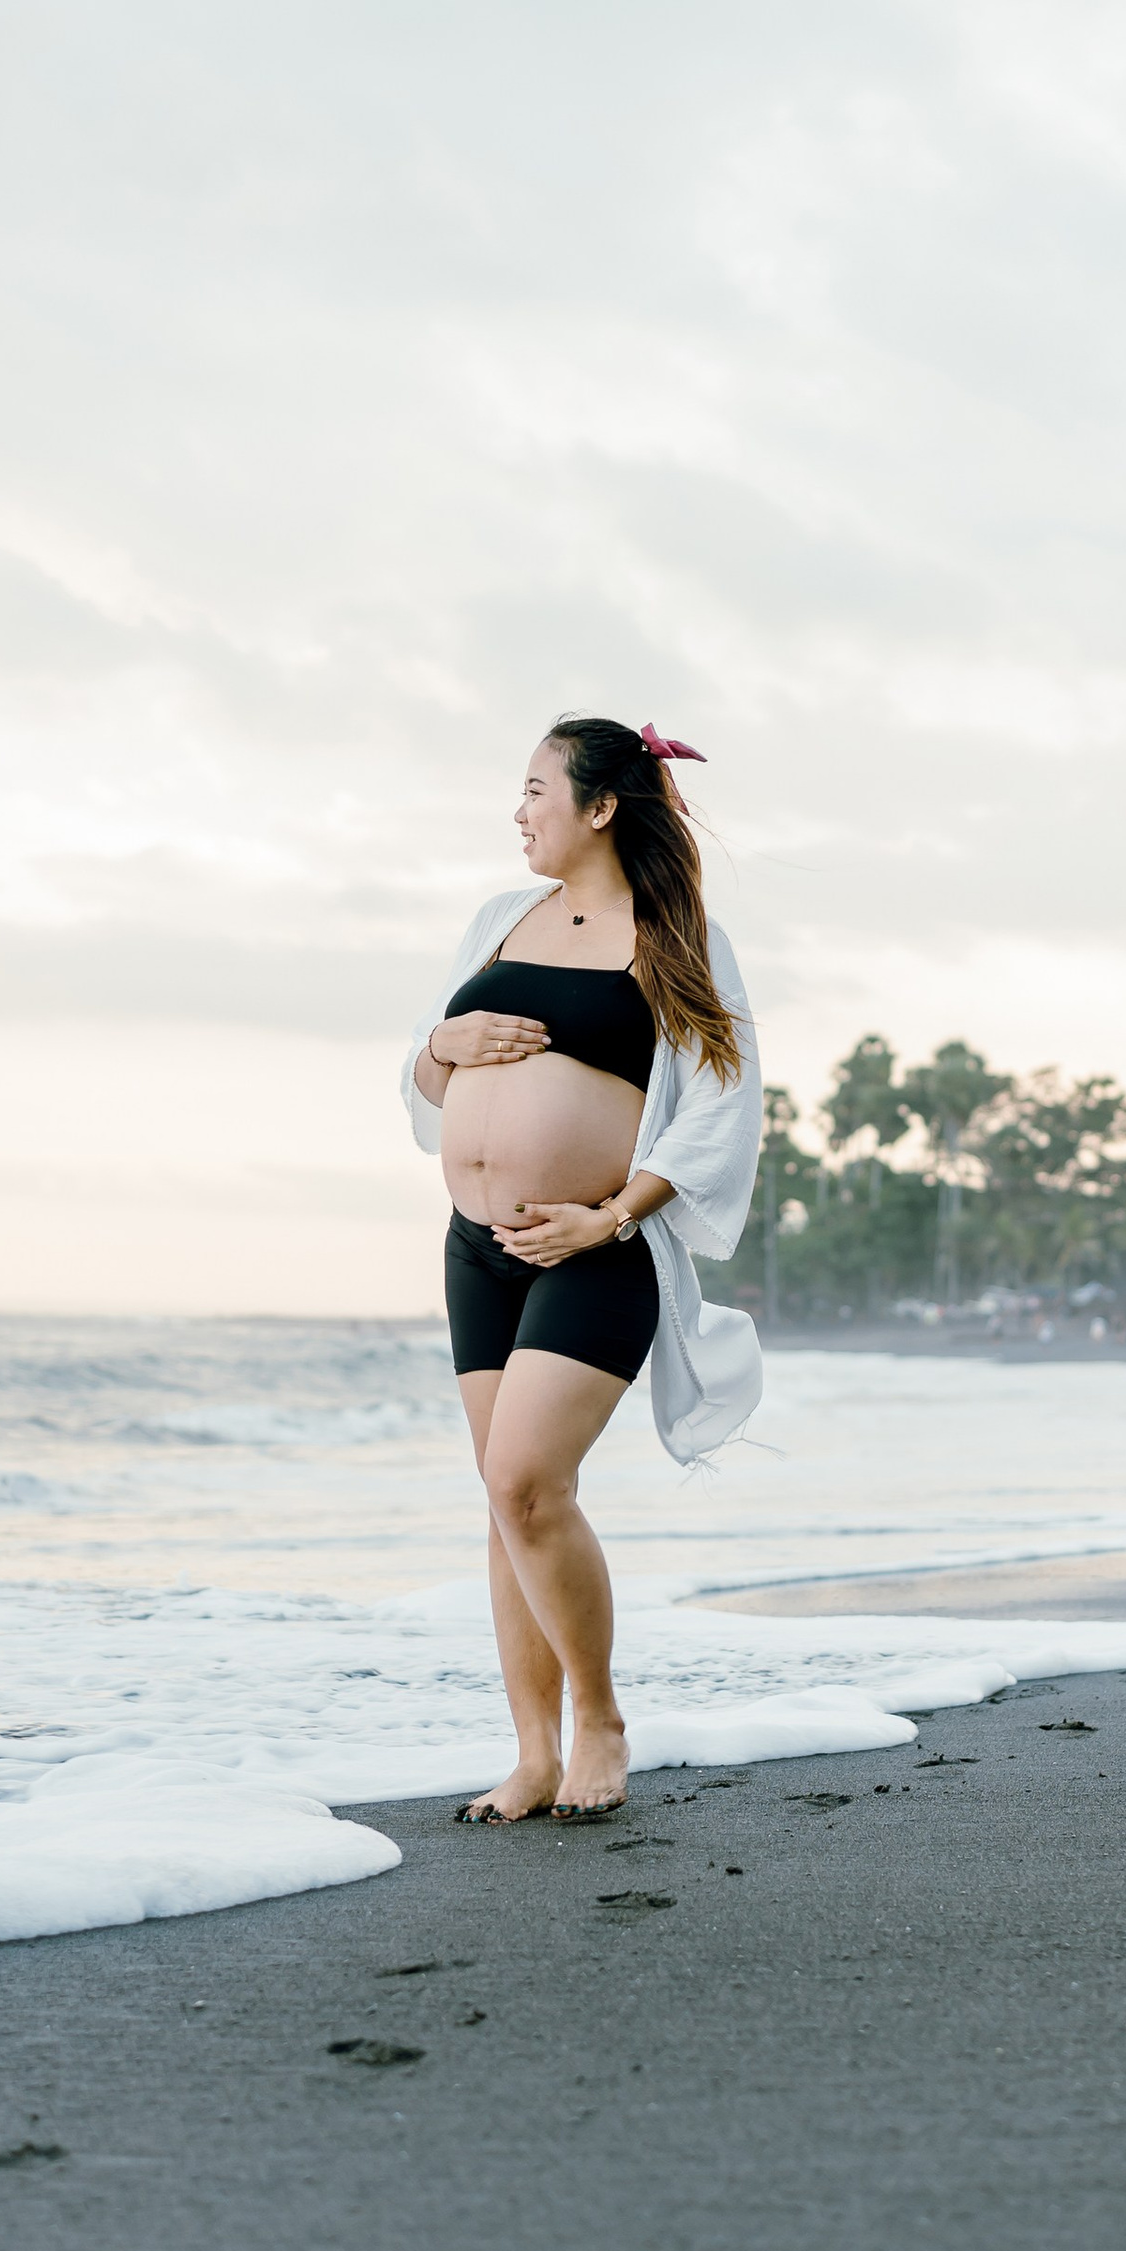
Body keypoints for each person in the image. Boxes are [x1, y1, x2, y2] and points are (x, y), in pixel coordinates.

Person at [404, 717, 763, 1822]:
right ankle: (532, 1756)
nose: (518, 812)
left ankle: (598, 1722)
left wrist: (609, 1217)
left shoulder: (677, 936)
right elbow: (428, 1077)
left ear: (601, 807)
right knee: (504, 1502)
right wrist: (444, 1047)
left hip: (598, 1248)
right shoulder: (495, 921)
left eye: (535, 790)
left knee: (527, 1481)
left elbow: (723, 1107)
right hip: (479, 1250)